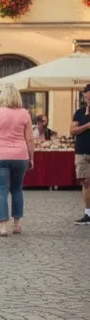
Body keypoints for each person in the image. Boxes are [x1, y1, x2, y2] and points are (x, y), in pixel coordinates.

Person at [0, 84, 34, 236]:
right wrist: (31, 158)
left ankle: (3, 227)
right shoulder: (25, 114)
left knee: (1, 190)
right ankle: (17, 224)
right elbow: (30, 140)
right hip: (20, 155)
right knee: (17, 189)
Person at [72, 83, 90, 225]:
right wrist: (87, 125)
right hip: (82, 151)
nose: (87, 99)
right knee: (86, 183)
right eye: (86, 96)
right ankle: (88, 214)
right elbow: (73, 131)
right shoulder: (79, 112)